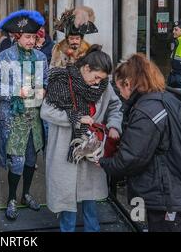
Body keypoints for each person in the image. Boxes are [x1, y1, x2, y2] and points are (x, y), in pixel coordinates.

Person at [98, 54, 181, 232]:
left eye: (119, 88)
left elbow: (131, 158)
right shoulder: (165, 99)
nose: (121, 95)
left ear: (129, 83)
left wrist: (103, 162)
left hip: (164, 192)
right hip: (178, 185)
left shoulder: (146, 111)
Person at [40, 45, 121, 232]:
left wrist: (114, 125)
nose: (97, 82)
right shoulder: (61, 80)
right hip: (65, 150)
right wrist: (75, 117)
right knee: (67, 201)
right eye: (96, 77)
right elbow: (46, 111)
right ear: (86, 68)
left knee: (90, 199)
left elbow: (115, 107)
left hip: (92, 150)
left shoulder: (103, 86)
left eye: (102, 79)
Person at [0, 10, 49, 221]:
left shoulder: (42, 57)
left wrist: (44, 90)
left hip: (34, 117)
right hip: (13, 118)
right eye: (27, 37)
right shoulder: (4, 57)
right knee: (17, 160)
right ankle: (12, 199)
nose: (31, 41)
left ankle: (26, 194)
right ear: (17, 36)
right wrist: (16, 91)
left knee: (31, 160)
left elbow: (47, 81)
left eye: (34, 37)